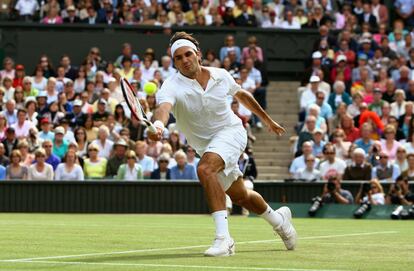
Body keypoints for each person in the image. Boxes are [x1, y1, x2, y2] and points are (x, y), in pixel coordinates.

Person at [149, 32, 296, 256]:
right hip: (207, 146)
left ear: (197, 54)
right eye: (178, 58)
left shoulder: (220, 75)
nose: (185, 60)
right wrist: (159, 124)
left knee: (205, 169)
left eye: (188, 54)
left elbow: (242, 94)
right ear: (175, 62)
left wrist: (267, 120)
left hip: (232, 132)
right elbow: (164, 109)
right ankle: (280, 221)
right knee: (241, 196)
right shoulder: (170, 86)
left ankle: (224, 240)